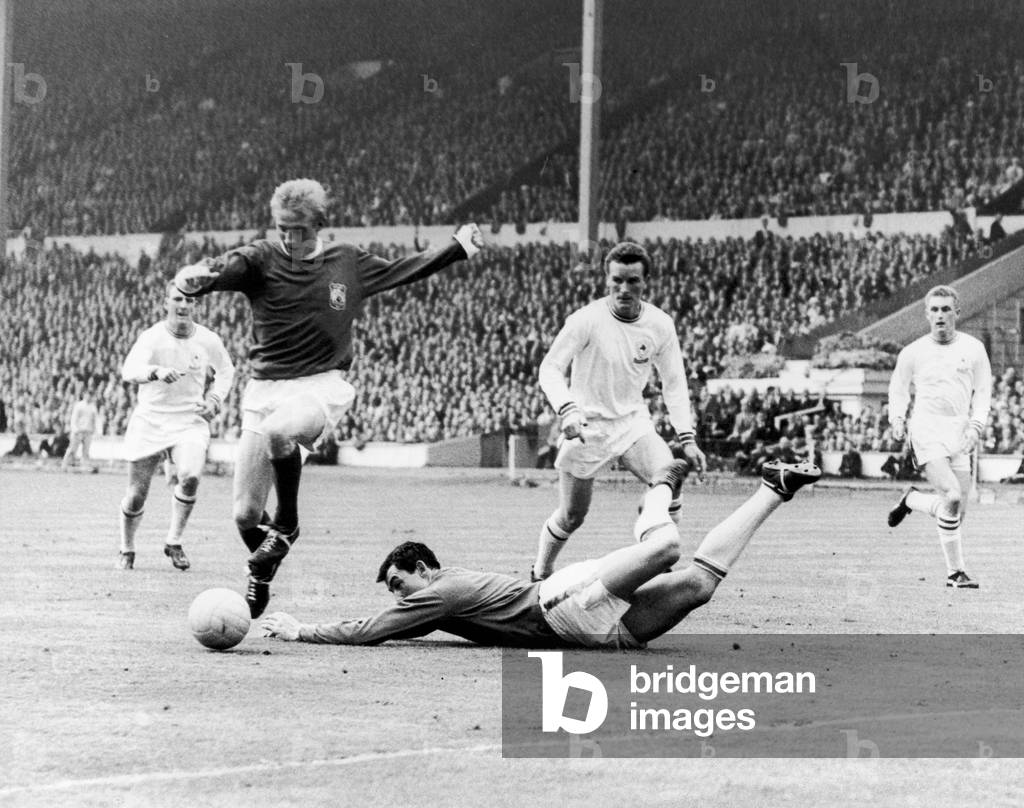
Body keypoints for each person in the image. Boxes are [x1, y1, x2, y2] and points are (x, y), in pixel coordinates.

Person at [175, 178, 484, 616]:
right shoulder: (260, 258)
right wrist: (193, 281)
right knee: (244, 514)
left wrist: (457, 247)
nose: (290, 237)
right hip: (264, 389)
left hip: (320, 385)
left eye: (299, 229)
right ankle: (261, 573)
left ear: (320, 224)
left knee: (281, 433)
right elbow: (218, 270)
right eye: (282, 227)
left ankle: (287, 525)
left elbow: (403, 269)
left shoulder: (346, 262)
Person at [260, 459, 821, 648]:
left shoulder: (444, 590)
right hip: (586, 635)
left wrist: (300, 630)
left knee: (666, 545)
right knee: (699, 585)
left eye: (399, 582)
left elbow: (373, 628)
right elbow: (395, 626)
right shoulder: (443, 599)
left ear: (423, 570)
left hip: (560, 603)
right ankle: (773, 488)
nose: (400, 595)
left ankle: (658, 487)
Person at [531, 241, 706, 582]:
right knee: (571, 516)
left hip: (632, 423)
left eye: (633, 281)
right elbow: (549, 368)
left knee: (670, 477)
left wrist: (687, 437)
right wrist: (568, 412)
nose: (624, 289)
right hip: (587, 426)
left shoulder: (660, 324)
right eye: (617, 280)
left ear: (646, 282)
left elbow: (674, 383)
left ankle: (656, 555)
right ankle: (541, 572)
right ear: (606, 279)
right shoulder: (586, 320)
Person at [116, 283, 235, 570]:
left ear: (196, 306)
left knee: (191, 476)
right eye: (178, 299)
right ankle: (127, 548)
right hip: (151, 419)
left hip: (189, 420)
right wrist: (155, 372)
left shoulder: (207, 339)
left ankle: (174, 541)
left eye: (190, 301)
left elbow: (226, 371)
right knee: (135, 495)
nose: (183, 305)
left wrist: (215, 398)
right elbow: (129, 370)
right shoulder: (152, 338)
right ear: (165, 302)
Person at [886, 285, 992, 589]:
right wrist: (896, 419)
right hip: (926, 429)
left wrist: (975, 426)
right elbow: (898, 388)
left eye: (946, 309)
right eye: (934, 309)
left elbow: (983, 393)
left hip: (960, 431)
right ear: (926, 314)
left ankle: (913, 499)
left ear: (957, 312)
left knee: (957, 512)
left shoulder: (973, 348)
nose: (940, 315)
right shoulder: (913, 351)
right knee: (952, 495)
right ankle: (956, 574)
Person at [61, 389, 99, 471]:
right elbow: (74, 418)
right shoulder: (79, 405)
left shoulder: (93, 407)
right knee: (72, 449)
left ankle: (84, 465)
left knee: (86, 451)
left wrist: (95, 430)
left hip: (88, 431)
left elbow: (95, 419)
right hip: (78, 431)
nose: (89, 397)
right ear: (85, 395)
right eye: (88, 395)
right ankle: (65, 464)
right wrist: (75, 429)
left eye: (91, 395)